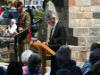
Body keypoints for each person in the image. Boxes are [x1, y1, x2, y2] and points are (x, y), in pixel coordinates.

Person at [44, 10, 67, 75]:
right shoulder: (53, 28)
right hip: (53, 56)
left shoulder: (60, 27)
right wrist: (47, 43)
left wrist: (48, 46)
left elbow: (61, 44)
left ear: (53, 19)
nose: (48, 22)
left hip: (59, 58)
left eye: (48, 20)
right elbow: (52, 42)